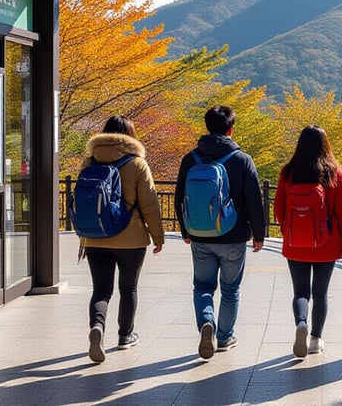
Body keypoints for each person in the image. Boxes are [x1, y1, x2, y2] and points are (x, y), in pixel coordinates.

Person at [174, 105, 266, 359]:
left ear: (207, 127)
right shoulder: (242, 159)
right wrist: (258, 234)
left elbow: (180, 196)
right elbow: (254, 200)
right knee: (230, 289)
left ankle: (207, 322)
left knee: (203, 286)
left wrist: (185, 230)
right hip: (233, 234)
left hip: (200, 234)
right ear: (231, 129)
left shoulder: (191, 159)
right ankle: (224, 337)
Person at [82, 115, 165, 364]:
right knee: (128, 289)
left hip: (95, 236)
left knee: (101, 290)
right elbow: (149, 203)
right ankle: (125, 335)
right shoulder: (137, 163)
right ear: (131, 135)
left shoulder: (90, 160)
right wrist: (158, 236)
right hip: (131, 238)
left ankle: (97, 327)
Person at [273, 126, 342, 358]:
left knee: (300, 292)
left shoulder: (288, 172)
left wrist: (289, 228)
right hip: (326, 244)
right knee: (320, 294)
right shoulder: (334, 173)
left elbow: (278, 208)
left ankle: (301, 322)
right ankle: (315, 339)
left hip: (295, 244)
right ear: (325, 145)